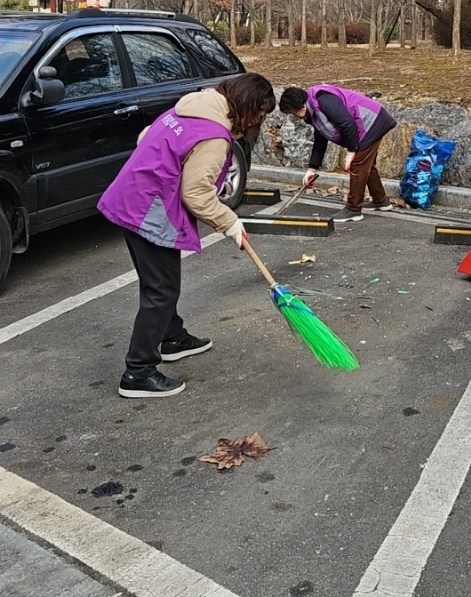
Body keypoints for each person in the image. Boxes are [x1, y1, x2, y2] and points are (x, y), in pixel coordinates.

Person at [98, 73, 276, 399]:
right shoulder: (214, 135)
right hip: (147, 212)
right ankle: (138, 373)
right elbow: (196, 193)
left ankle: (171, 337)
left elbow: (145, 137)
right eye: (261, 112)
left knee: (160, 284)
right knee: (161, 290)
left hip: (130, 198)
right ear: (248, 106)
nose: (260, 119)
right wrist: (230, 223)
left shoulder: (190, 108)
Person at [278, 84, 397, 223]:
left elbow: (347, 123)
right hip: (370, 122)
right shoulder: (313, 111)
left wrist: (351, 151)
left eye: (293, 112)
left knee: (358, 165)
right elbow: (320, 139)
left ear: (301, 106)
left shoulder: (323, 100)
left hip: (372, 122)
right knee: (367, 166)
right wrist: (312, 169)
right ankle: (381, 201)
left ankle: (353, 210)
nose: (294, 116)